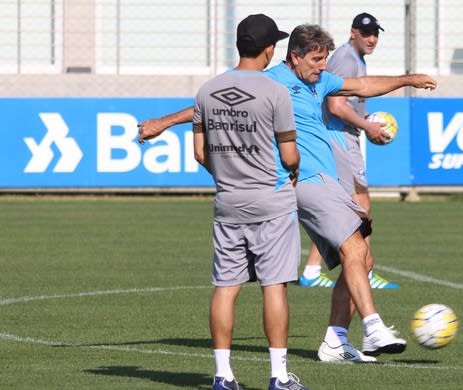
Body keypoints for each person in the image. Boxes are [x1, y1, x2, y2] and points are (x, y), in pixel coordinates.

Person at [138, 24, 437, 364]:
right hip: (304, 178)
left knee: (362, 257)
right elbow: (209, 108)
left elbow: (363, 84)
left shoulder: (319, 81)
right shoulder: (273, 80)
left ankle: (336, 340)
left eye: (325, 58)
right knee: (354, 246)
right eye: (316, 59)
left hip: (327, 179)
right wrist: (163, 122)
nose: (323, 66)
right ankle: (373, 326)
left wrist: (407, 80)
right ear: (294, 57)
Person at [192, 14, 309, 390]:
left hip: (228, 201)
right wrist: (292, 170)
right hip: (271, 201)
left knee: (226, 287)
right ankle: (278, 376)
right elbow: (289, 155)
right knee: (274, 286)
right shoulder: (276, 92)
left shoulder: (207, 90)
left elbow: (199, 153)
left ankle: (223, 376)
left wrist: (228, 177)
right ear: (269, 48)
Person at [298, 12, 400, 290]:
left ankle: (313, 270)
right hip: (338, 136)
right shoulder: (344, 57)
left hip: (343, 136)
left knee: (341, 206)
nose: (372, 39)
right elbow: (335, 105)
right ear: (353, 32)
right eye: (366, 33)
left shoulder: (354, 59)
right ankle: (363, 270)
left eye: (375, 33)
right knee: (358, 205)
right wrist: (368, 126)